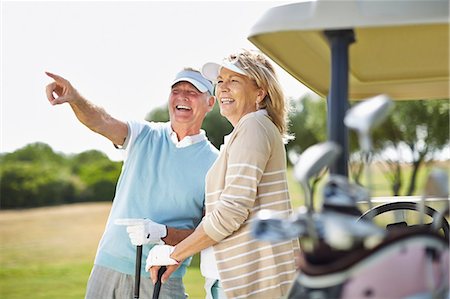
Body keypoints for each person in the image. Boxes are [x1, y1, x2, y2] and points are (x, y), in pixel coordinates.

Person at [45, 68, 219, 299]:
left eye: (192, 92)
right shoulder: (144, 134)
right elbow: (102, 121)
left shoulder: (216, 163)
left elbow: (209, 232)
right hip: (107, 267)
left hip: (162, 276)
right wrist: (76, 99)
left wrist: (162, 232)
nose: (182, 96)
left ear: (210, 102)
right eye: (176, 90)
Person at [146, 49, 300, 299]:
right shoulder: (250, 130)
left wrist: (175, 253)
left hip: (246, 282)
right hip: (235, 278)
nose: (223, 89)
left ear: (260, 93)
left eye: (234, 81)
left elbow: (231, 212)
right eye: (220, 82)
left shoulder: (253, 126)